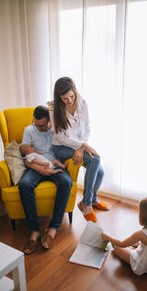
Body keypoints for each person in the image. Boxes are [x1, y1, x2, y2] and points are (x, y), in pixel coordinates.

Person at [48, 77, 109, 223]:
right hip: (61, 147)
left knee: (100, 172)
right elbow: (60, 137)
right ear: (58, 96)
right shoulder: (53, 108)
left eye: (71, 96)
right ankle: (87, 205)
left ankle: (91, 200)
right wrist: (82, 146)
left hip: (78, 146)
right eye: (64, 98)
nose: (69, 100)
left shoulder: (83, 104)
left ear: (75, 91)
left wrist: (81, 146)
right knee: (97, 160)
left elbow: (87, 129)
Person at [18, 105, 72, 255]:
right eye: (36, 124)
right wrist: (39, 169)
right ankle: (35, 231)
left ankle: (53, 229)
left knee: (66, 182)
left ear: (49, 120)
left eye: (42, 125)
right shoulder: (29, 130)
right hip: (36, 166)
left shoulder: (57, 129)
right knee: (24, 185)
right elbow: (25, 156)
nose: (38, 127)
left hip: (54, 166)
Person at [101, 196, 147, 277]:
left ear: (144, 216)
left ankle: (132, 251)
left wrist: (107, 237)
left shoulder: (141, 233)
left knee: (116, 247)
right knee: (137, 243)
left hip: (141, 264)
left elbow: (121, 244)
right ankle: (133, 249)